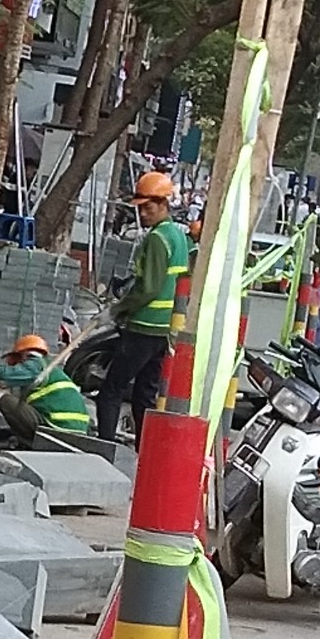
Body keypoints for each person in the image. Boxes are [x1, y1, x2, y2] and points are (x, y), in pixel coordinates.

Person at [96, 173, 191, 440]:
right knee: (145, 395)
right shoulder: (178, 235)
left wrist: (117, 310)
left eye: (148, 207)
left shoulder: (157, 238)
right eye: (140, 208)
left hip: (144, 326)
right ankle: (144, 450)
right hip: (164, 328)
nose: (143, 214)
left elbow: (149, 287)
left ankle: (104, 448)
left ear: (163, 204)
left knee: (112, 389)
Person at [0, 335, 93, 441]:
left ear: (24, 354)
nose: (15, 363)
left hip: (58, 429)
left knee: (6, 401)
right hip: (77, 432)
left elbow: (7, 373)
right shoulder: (50, 370)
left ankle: (27, 443)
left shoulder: (35, 364)